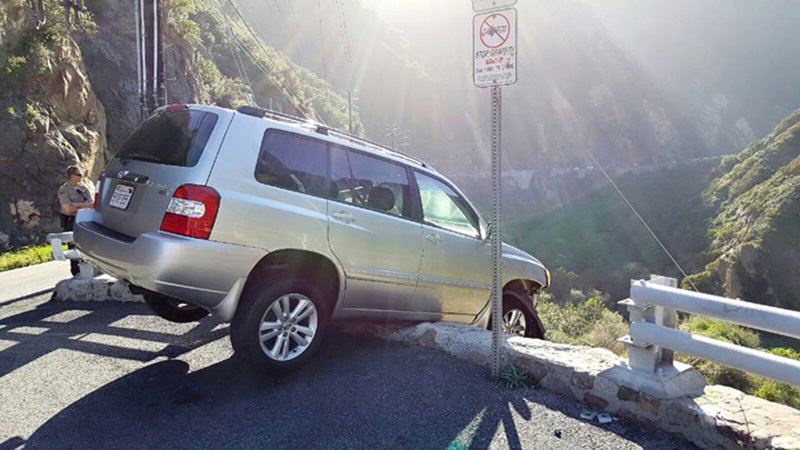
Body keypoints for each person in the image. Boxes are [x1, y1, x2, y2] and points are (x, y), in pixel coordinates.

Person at [58, 165, 94, 276]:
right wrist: (84, 206)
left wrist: (76, 205)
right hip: (71, 221)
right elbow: (68, 209)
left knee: (87, 246)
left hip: (84, 219)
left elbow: (92, 205)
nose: (81, 177)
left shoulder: (83, 188)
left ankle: (89, 269)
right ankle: (76, 272)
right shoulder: (64, 190)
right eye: (78, 175)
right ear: (71, 176)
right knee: (73, 247)